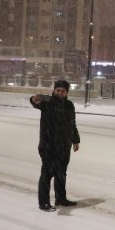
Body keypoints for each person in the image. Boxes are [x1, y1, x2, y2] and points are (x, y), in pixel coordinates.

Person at [30, 80, 81, 211]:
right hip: (48, 146)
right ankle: (43, 203)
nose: (60, 93)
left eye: (63, 91)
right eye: (58, 90)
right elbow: (36, 102)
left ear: (67, 93)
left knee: (61, 174)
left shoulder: (69, 105)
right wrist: (34, 99)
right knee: (47, 174)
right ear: (54, 91)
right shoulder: (47, 102)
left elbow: (72, 124)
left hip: (64, 147)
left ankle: (61, 199)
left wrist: (75, 140)